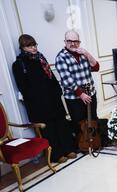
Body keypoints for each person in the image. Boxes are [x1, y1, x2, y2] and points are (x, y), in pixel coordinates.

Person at [12, 34, 76, 163]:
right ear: (23, 47)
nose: (33, 48)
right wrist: (36, 98)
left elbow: (50, 76)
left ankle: (68, 149)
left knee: (61, 124)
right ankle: (56, 155)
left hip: (53, 99)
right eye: (29, 46)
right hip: (39, 104)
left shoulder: (41, 58)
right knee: (49, 129)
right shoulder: (19, 64)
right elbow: (23, 87)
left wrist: (58, 91)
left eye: (34, 45)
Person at [55, 30, 100, 141]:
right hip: (74, 97)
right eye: (69, 41)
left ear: (79, 42)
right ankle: (83, 144)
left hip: (90, 93)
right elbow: (67, 79)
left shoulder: (83, 54)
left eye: (75, 41)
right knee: (79, 123)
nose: (73, 43)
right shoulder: (61, 57)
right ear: (65, 42)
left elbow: (96, 67)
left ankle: (94, 141)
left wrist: (87, 53)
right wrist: (81, 94)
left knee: (92, 119)